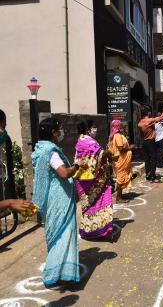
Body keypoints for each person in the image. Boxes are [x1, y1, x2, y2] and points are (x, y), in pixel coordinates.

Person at [32, 118, 82, 286]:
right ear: (53, 132)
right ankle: (54, 273)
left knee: (60, 234)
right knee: (63, 234)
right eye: (60, 129)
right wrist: (76, 166)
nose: (62, 132)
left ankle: (62, 272)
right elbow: (63, 173)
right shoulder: (50, 152)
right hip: (60, 200)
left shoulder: (41, 148)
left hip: (56, 198)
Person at [74, 120, 114, 240]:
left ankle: (89, 231)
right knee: (100, 203)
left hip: (84, 180)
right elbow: (98, 155)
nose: (95, 129)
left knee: (88, 207)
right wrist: (108, 153)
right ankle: (100, 231)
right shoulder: (89, 141)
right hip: (95, 181)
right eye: (94, 127)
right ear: (88, 130)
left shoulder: (80, 140)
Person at [138, 103, 163, 182]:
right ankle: (152, 175)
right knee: (153, 159)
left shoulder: (140, 123)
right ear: (148, 113)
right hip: (151, 142)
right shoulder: (150, 121)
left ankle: (148, 175)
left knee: (147, 159)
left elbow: (141, 135)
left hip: (145, 142)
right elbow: (162, 117)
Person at [109, 120, 133, 202]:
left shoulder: (117, 135)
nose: (122, 126)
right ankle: (118, 198)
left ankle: (121, 196)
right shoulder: (118, 135)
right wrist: (130, 148)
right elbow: (120, 148)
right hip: (121, 160)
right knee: (121, 178)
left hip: (122, 160)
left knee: (122, 177)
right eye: (120, 125)